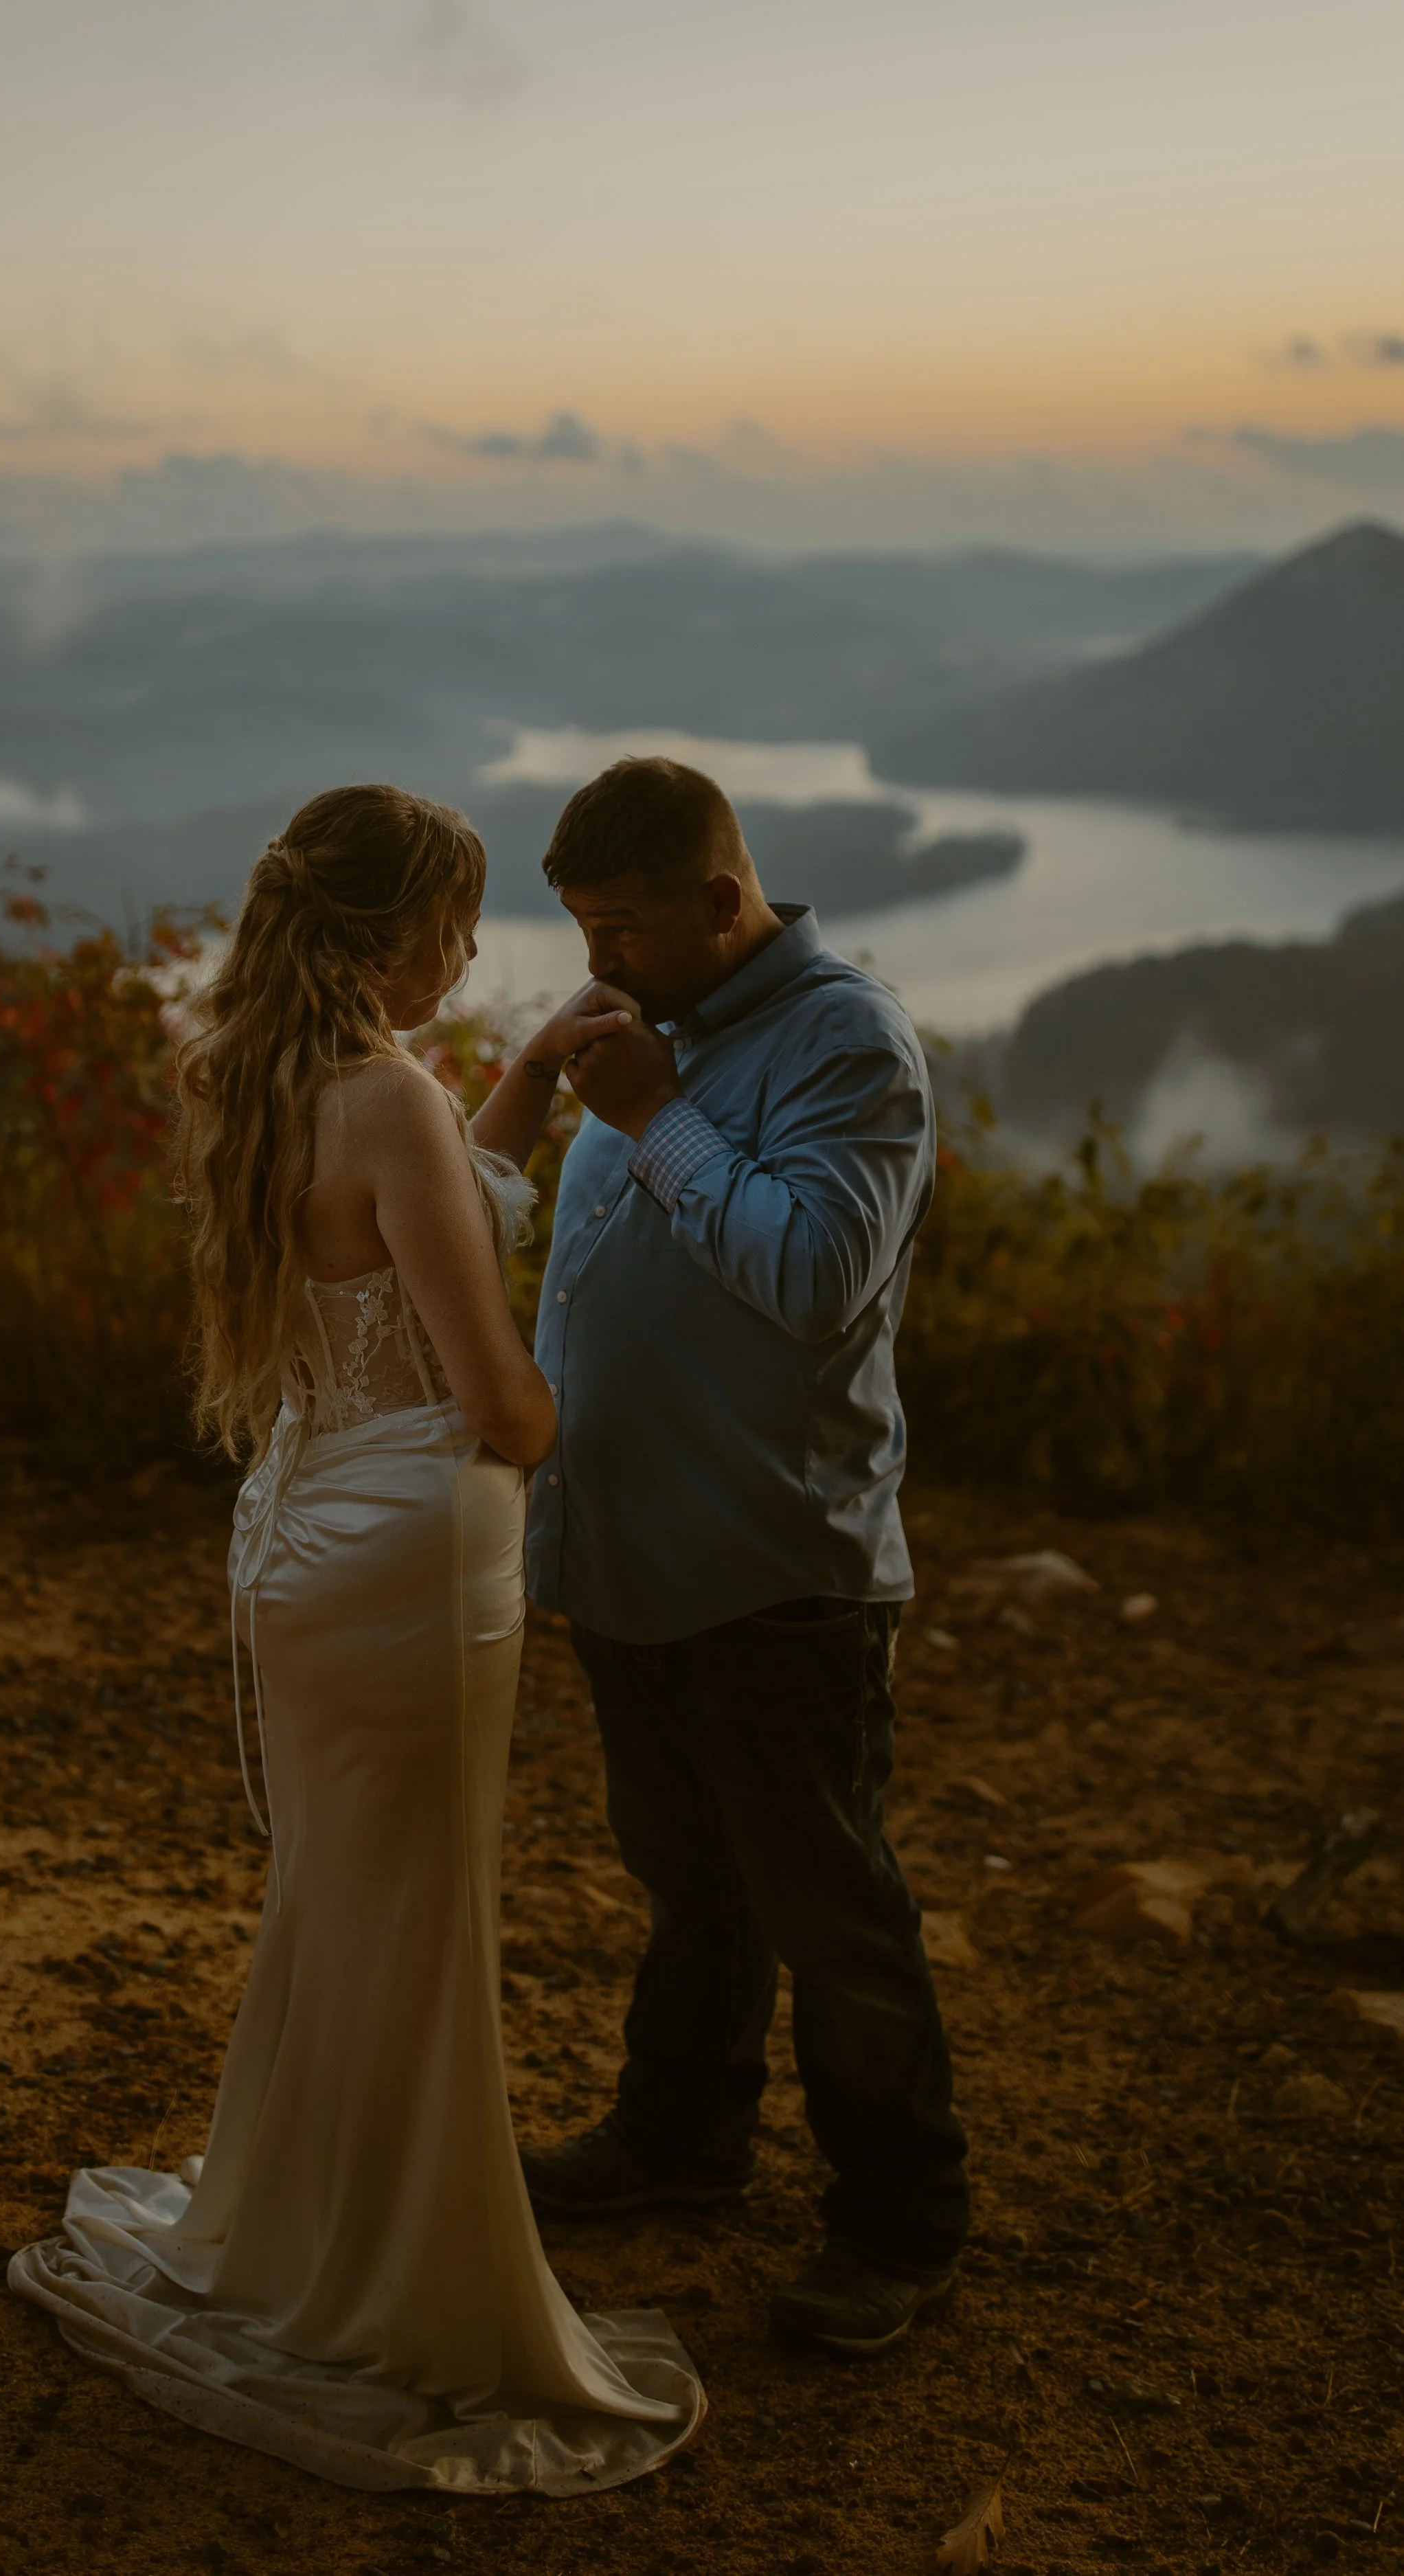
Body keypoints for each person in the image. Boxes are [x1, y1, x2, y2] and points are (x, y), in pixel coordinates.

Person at [8, 784, 703, 2494]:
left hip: (306, 1533)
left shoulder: (265, 1082)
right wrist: (581, 1413)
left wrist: (527, 1083)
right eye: (453, 925)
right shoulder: (387, 1098)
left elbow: (391, 1243)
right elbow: (493, 1402)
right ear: (389, 936)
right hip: (415, 1553)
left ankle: (302, 2228)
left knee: (342, 1901)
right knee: (421, 1924)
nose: (468, 955)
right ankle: (397, 2287)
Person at [514, 756, 969, 2355]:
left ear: (721, 901)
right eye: (579, 929)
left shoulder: (846, 1038)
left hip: (775, 1567)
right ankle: (678, 2140)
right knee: (687, 1880)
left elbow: (814, 1275)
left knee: (829, 1908)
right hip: (631, 1550)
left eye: (621, 929)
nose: (595, 963)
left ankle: (899, 2222)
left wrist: (651, 1114)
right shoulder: (652, 1023)